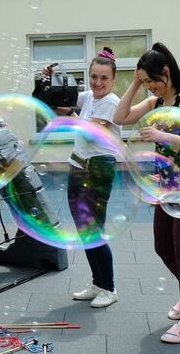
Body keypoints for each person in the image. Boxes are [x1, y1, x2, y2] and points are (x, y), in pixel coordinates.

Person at [112, 42, 180, 343]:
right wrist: (132, 83)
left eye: (151, 81)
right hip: (168, 188)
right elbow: (120, 118)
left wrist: (161, 136)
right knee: (162, 247)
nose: (149, 87)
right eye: (144, 82)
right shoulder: (155, 103)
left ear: (166, 73)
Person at [35, 48, 122, 308]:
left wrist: (71, 116)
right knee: (84, 229)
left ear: (113, 79)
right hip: (78, 164)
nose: (98, 82)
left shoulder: (111, 102)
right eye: (94, 76)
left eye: (104, 78)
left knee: (93, 230)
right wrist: (47, 82)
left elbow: (91, 131)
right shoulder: (89, 97)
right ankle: (97, 282)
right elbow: (57, 101)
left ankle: (109, 288)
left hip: (98, 167)